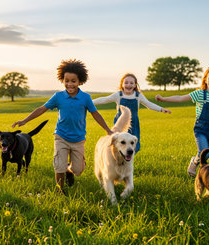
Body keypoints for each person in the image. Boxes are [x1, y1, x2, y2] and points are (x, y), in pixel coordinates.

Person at [12, 59, 113, 194]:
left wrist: (107, 129)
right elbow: (42, 109)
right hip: (61, 137)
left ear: (80, 81)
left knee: (78, 170)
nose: (69, 84)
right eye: (66, 81)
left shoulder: (85, 98)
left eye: (73, 81)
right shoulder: (58, 96)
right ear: (62, 80)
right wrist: (25, 120)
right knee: (59, 166)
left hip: (78, 139)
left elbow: (96, 114)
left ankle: (69, 170)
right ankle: (60, 190)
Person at [93, 73, 171, 152]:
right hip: (120, 124)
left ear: (135, 85)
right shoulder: (119, 95)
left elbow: (149, 104)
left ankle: (128, 162)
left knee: (133, 146)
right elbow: (104, 99)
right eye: (126, 83)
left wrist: (161, 109)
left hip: (134, 124)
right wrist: (90, 102)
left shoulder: (138, 96)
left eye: (131, 83)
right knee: (118, 145)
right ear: (122, 84)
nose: (128, 85)